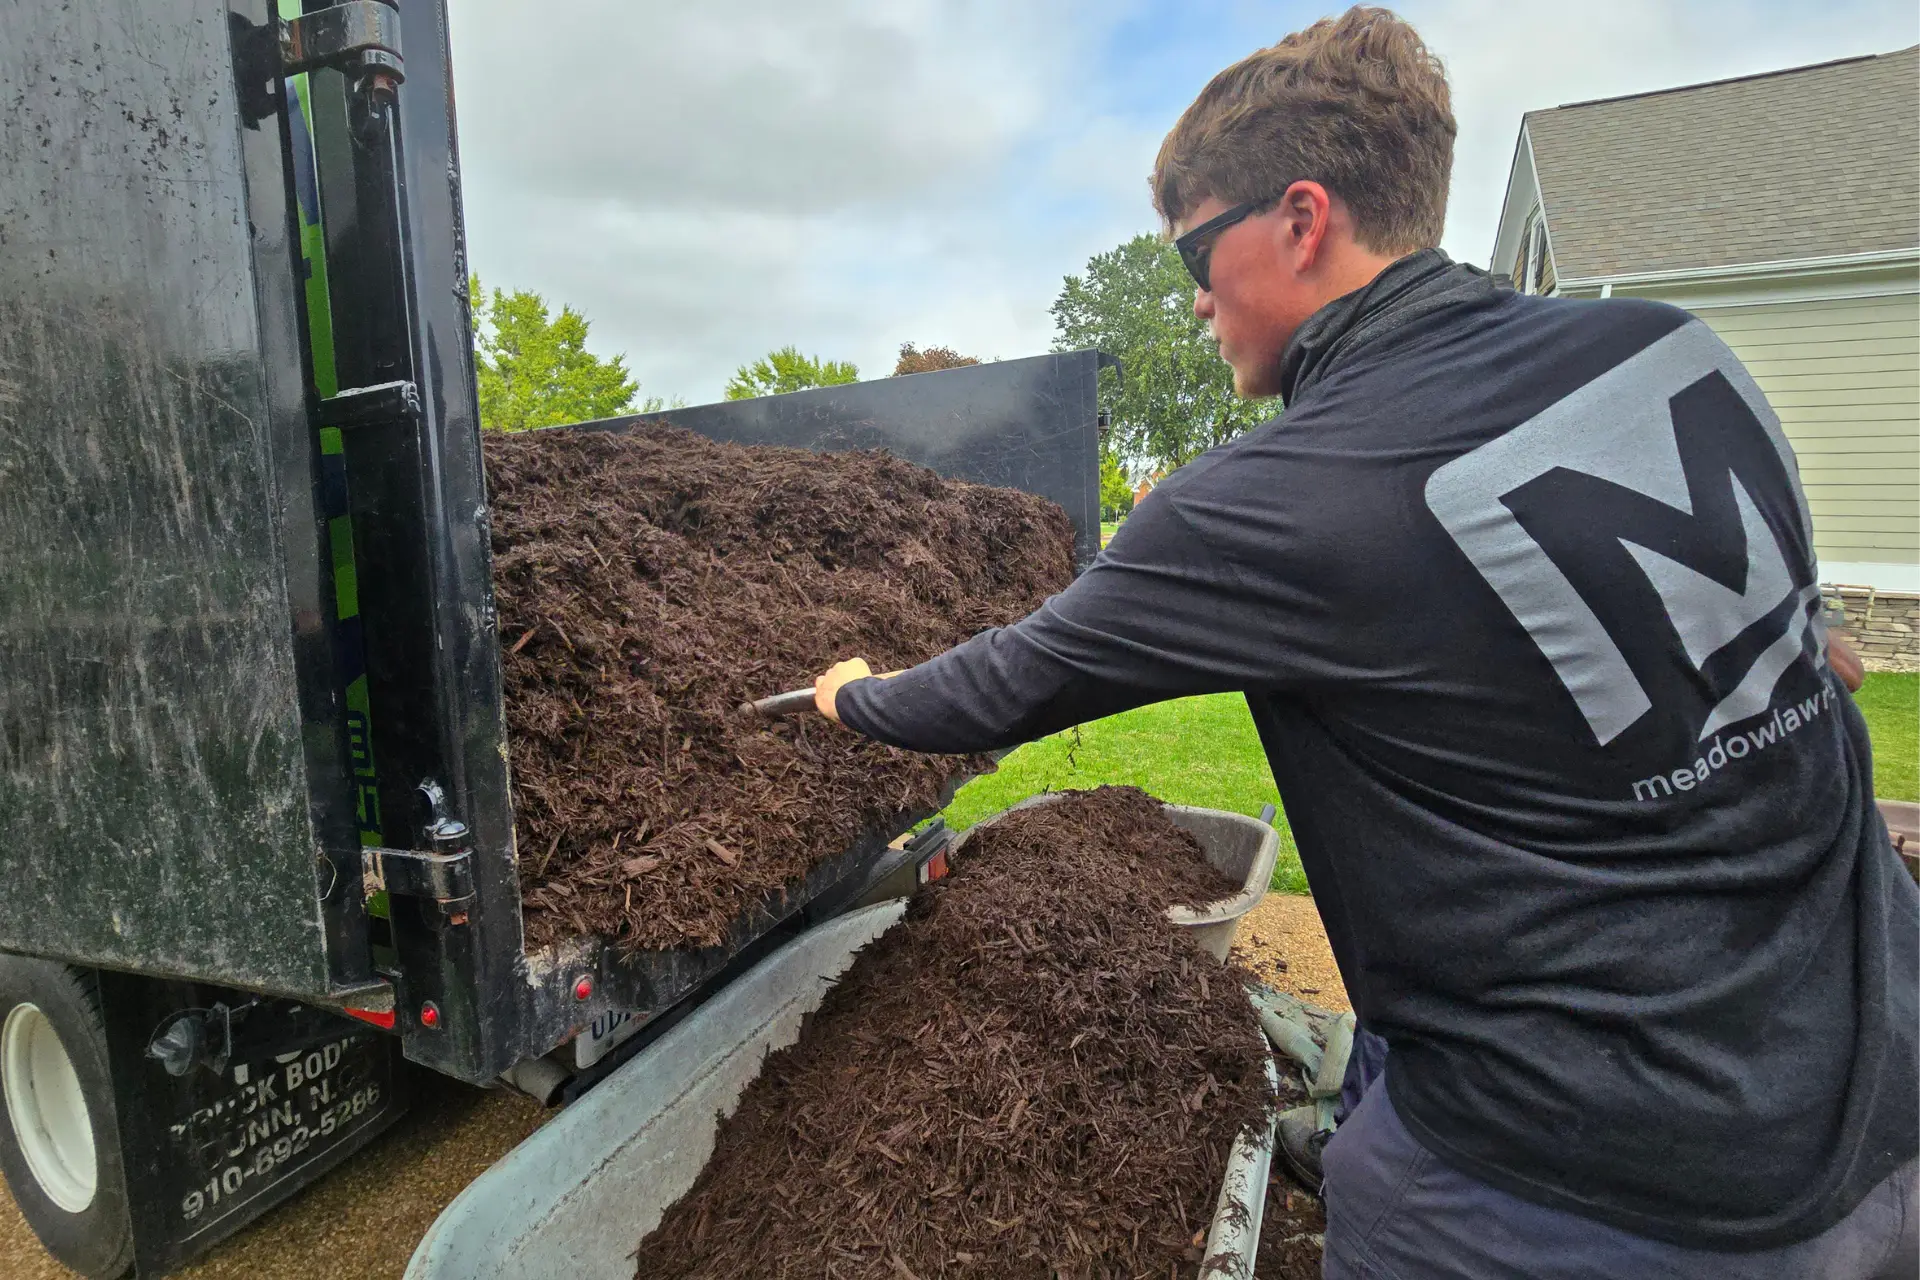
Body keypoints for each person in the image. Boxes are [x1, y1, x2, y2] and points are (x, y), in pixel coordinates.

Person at [809, 7, 1918, 1277]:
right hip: (1886, 1061)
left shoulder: (1274, 499)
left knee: (1383, 1185)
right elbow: (1816, 652)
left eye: (1196, 255)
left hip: (1602, 1183)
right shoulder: (1674, 352)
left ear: (1302, 218)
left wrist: (853, 695)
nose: (1196, 302)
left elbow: (1007, 681)